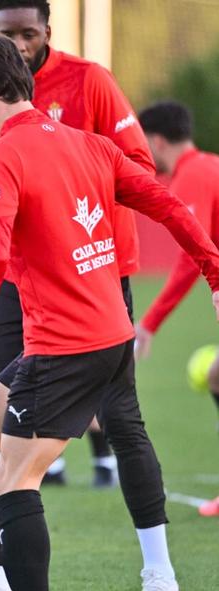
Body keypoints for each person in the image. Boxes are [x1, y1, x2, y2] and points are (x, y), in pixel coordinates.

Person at [0, 34, 219, 591]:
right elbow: (171, 207)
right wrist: (215, 274)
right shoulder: (90, 146)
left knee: (14, 481)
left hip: (65, 349)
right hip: (110, 335)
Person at [129, 101, 219, 518]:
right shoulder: (207, 166)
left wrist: (148, 324)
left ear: (157, 140)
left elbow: (189, 260)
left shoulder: (193, 175)